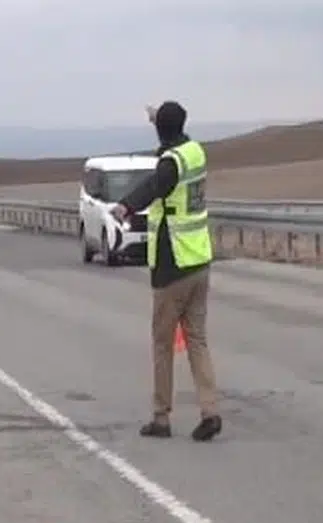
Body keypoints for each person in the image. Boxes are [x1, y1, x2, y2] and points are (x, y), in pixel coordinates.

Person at [110, 100, 222, 442]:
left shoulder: (170, 164)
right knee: (197, 340)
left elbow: (154, 185)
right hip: (199, 259)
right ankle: (210, 410)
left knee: (162, 344)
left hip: (172, 263)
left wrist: (125, 206)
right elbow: (170, 150)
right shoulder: (194, 153)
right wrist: (156, 119)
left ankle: (161, 417)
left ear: (162, 129)